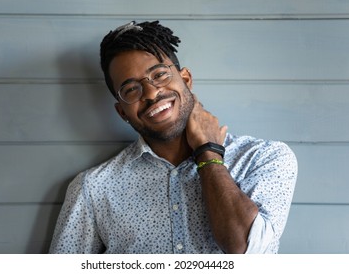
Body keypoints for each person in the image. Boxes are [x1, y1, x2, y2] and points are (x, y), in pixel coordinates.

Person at [49, 20, 297, 254]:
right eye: (131, 89)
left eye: (159, 74)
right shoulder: (93, 189)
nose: (151, 92)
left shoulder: (264, 159)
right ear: (122, 111)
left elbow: (248, 252)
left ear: (186, 79)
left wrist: (208, 153)